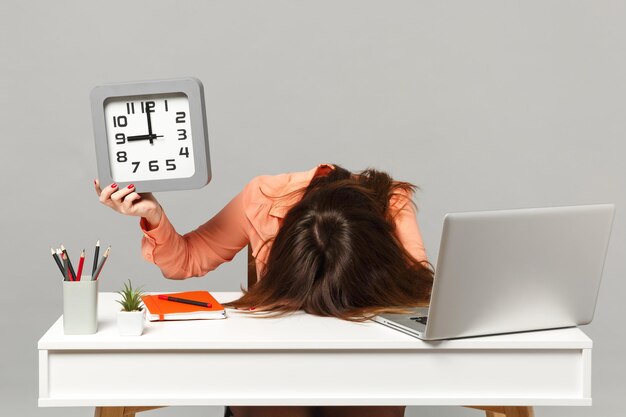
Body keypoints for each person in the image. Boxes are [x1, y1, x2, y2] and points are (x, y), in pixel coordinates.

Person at [94, 163, 434, 417]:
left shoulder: (390, 202)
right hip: (274, 363)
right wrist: (153, 215)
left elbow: (418, 292)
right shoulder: (262, 199)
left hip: (357, 361)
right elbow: (186, 259)